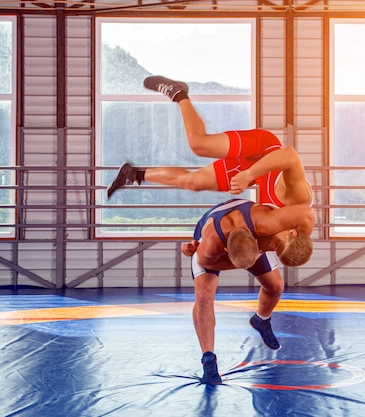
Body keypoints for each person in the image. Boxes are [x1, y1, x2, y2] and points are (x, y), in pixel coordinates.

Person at [106, 75, 313, 210]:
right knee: (198, 144)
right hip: (264, 150)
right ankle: (179, 93)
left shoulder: (270, 235)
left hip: (251, 174)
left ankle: (133, 173)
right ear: (293, 233)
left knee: (193, 183)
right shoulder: (300, 201)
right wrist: (249, 174)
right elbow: (289, 155)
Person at [181, 198, 315, 384]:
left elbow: (308, 213)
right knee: (203, 296)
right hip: (214, 233)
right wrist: (190, 249)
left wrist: (301, 235)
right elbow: (204, 261)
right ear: (226, 250)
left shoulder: (271, 224)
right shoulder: (211, 245)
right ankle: (208, 360)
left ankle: (261, 320)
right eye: (273, 247)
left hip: (251, 231)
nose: (274, 248)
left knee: (276, 286)